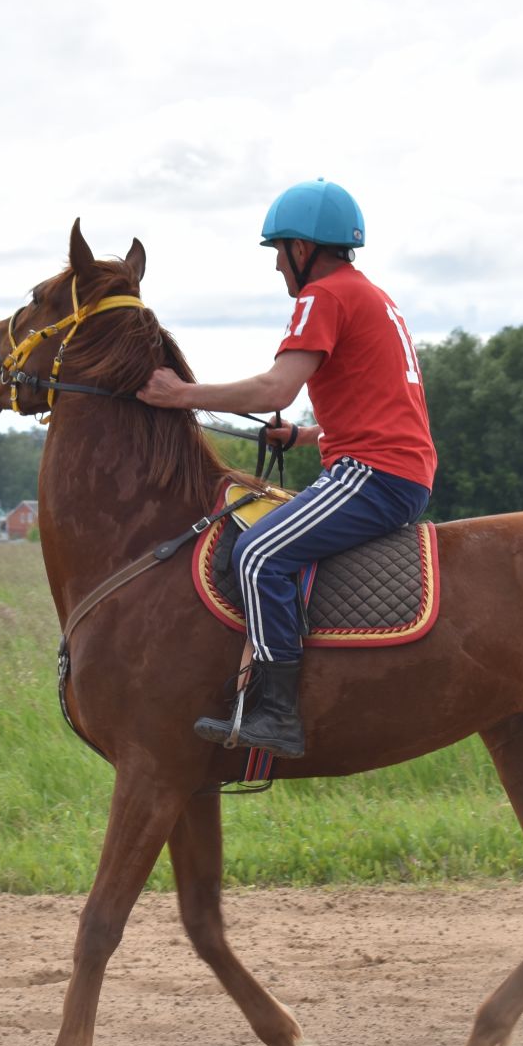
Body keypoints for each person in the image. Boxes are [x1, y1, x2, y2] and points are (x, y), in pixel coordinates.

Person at [140, 178, 436, 759]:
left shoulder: (323, 297)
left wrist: (180, 394)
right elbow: (380, 408)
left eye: (279, 251)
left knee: (258, 554)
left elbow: (277, 384)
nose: (277, 267)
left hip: (372, 475)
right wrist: (301, 435)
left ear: (303, 249)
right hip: (397, 468)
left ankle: (275, 714)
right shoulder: (371, 295)